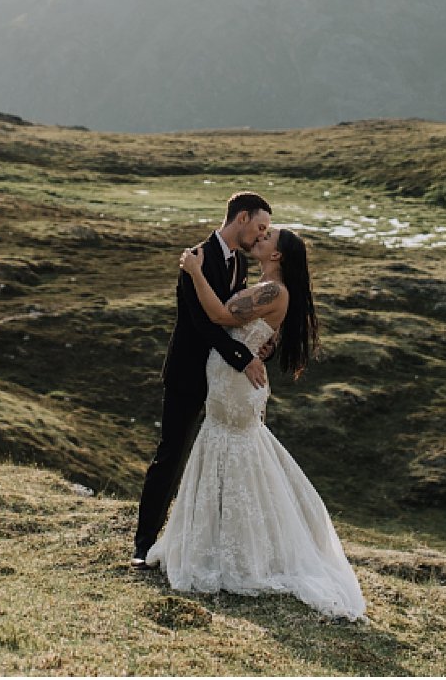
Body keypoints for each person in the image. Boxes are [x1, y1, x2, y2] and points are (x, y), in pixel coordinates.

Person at [146, 226, 366, 621]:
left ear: (277, 255)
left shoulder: (273, 291)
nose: (259, 239)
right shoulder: (265, 286)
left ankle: (239, 553)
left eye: (267, 238)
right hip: (229, 381)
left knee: (232, 453)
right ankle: (222, 542)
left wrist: (194, 271)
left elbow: (219, 314)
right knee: (228, 453)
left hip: (235, 386)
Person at [132, 191, 272, 568]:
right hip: (189, 374)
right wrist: (243, 360)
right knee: (171, 456)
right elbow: (202, 325)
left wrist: (257, 347)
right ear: (241, 218)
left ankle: (213, 545)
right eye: (260, 228)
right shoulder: (195, 258)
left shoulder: (239, 264)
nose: (261, 237)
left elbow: (233, 321)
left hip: (222, 380)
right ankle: (144, 544)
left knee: (221, 459)